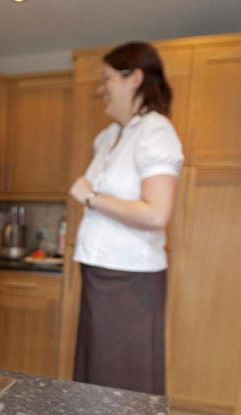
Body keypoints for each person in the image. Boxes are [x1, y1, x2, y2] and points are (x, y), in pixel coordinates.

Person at [68, 42, 184, 395]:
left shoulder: (156, 131)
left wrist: (91, 197)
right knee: (94, 382)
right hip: (98, 273)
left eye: (106, 79)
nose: (100, 89)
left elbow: (156, 212)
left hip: (129, 282)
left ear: (134, 78)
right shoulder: (108, 137)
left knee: (120, 388)